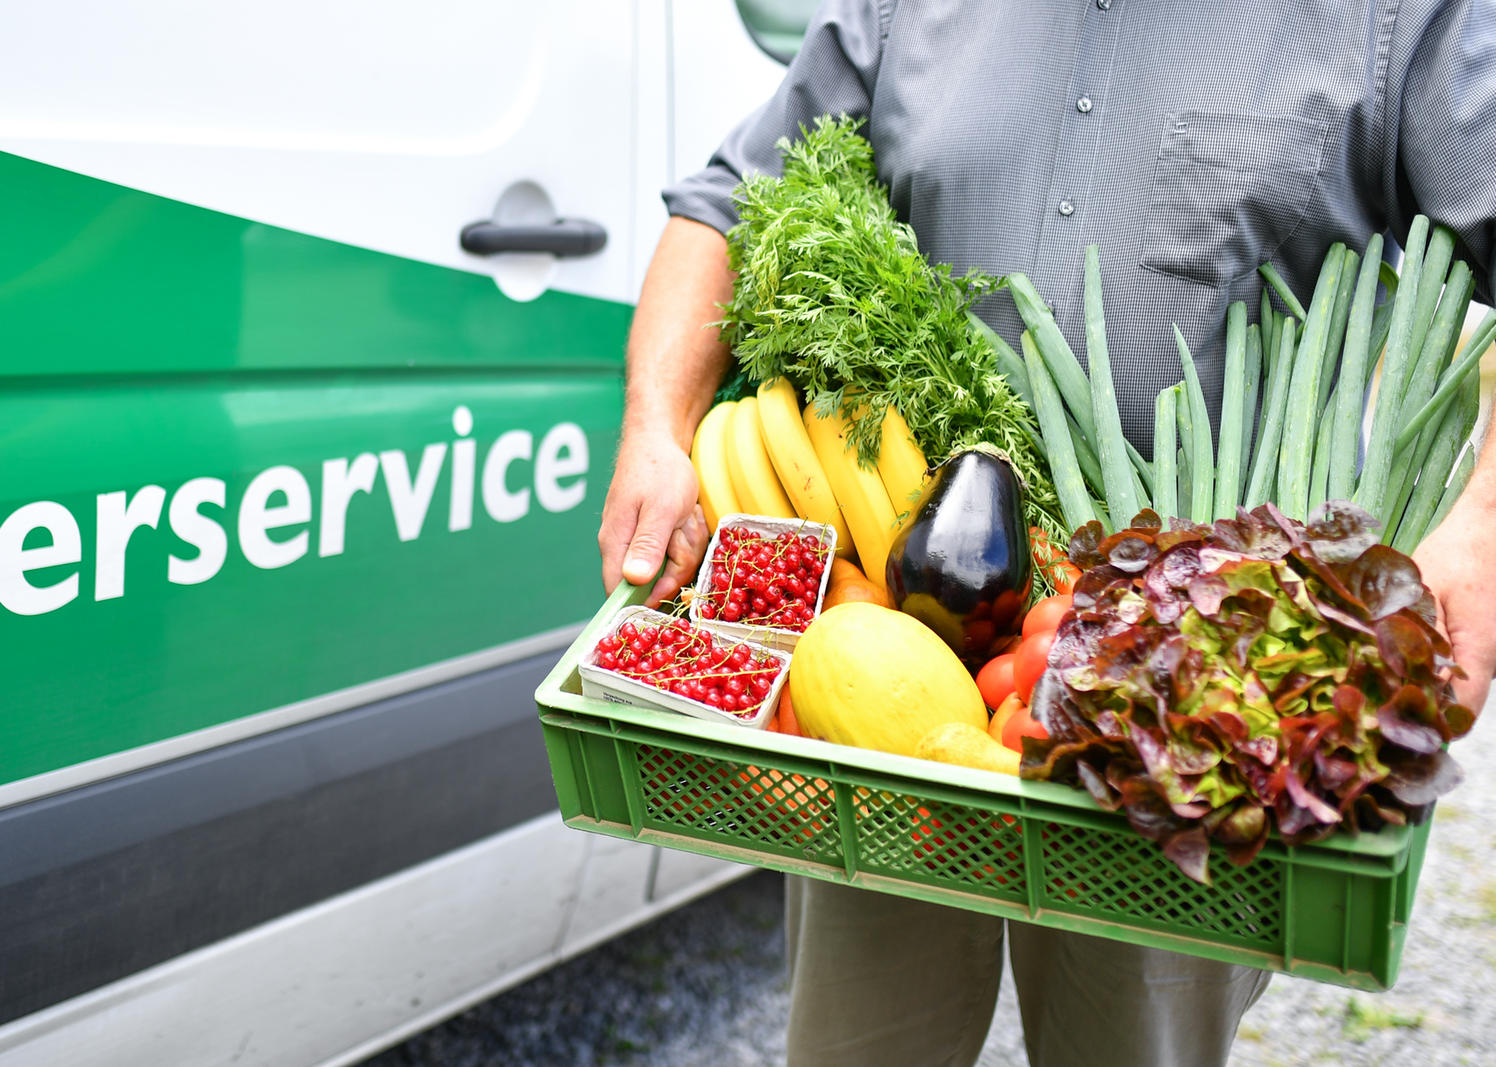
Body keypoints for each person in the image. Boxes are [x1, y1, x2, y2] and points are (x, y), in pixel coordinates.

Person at [597, 2, 1496, 1064]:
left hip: (1184, 707)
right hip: (899, 649)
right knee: (860, 1043)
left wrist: (1479, 529)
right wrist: (655, 427)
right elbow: (727, 206)